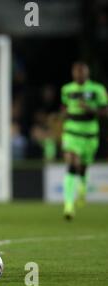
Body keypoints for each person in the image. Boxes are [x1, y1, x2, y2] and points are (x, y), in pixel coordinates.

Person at [61, 62, 107, 220]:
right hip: (71, 132)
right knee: (72, 162)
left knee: (83, 166)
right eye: (76, 72)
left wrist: (90, 110)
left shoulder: (97, 89)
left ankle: (82, 187)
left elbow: (104, 111)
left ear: (87, 73)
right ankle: (68, 205)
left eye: (82, 72)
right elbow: (64, 108)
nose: (79, 75)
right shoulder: (67, 89)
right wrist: (62, 116)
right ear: (73, 74)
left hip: (90, 135)